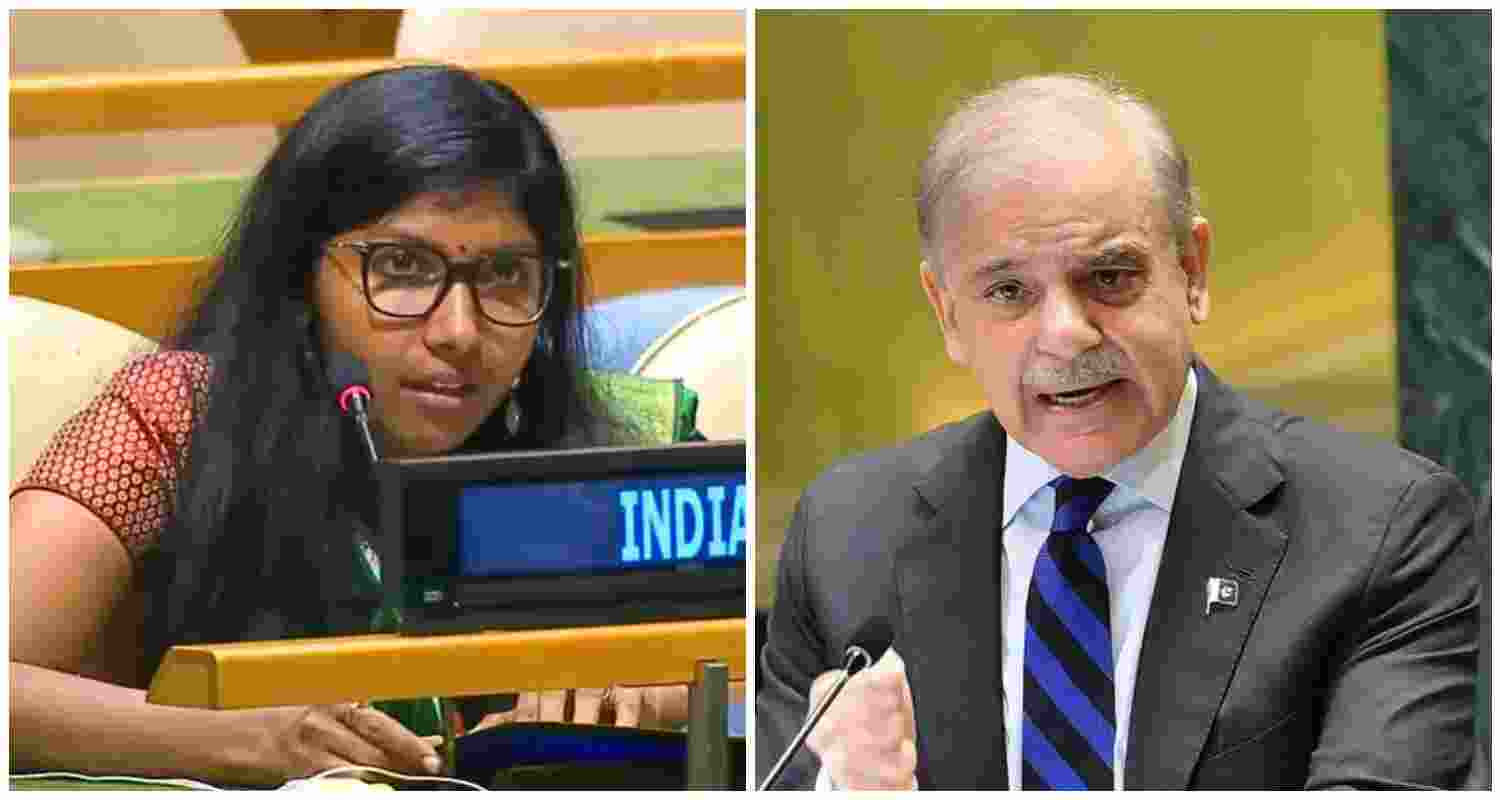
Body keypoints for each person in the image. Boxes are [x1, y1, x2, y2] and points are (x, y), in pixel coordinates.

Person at [756, 73, 1479, 790]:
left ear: (1192, 271)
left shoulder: (1384, 529)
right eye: (1009, 292)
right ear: (946, 313)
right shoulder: (846, 537)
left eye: (1108, 277)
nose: (1066, 335)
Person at [11, 64, 685, 787]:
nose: (459, 331)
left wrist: (653, 687)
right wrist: (238, 743)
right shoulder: (178, 419)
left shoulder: (607, 442)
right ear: (301, 274)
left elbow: (764, 655)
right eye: (400, 266)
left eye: (505, 274)